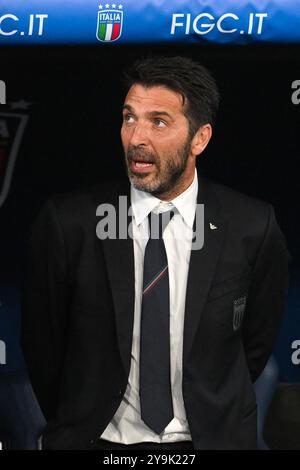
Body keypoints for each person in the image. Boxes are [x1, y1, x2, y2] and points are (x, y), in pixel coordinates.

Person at [20, 56, 290, 450]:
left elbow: (255, 342)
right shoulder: (67, 223)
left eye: (158, 122)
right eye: (130, 118)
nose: (136, 138)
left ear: (200, 138)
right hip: (99, 442)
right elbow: (44, 349)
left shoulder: (252, 226)